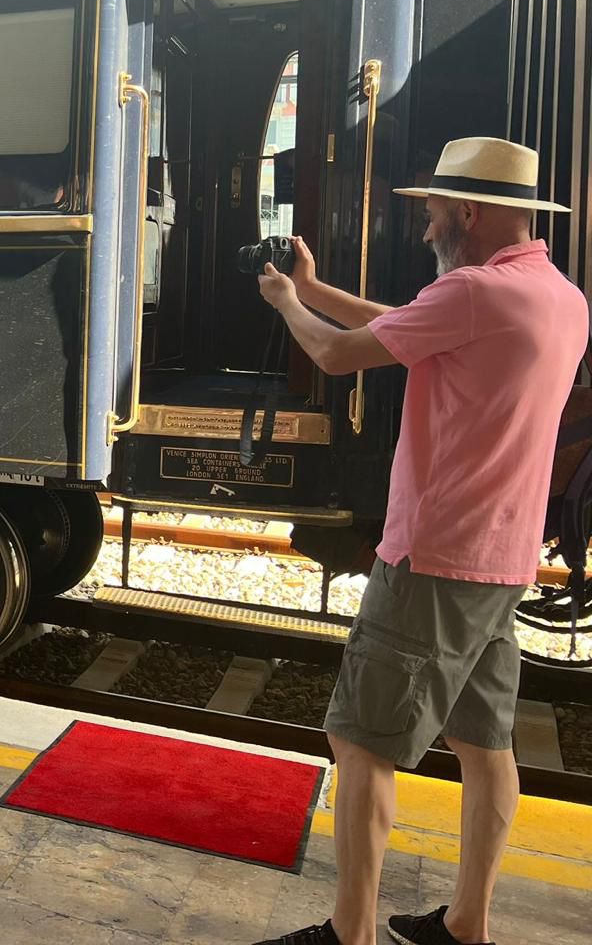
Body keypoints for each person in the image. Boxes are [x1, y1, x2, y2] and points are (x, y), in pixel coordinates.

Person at [254, 137, 588, 945]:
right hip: (504, 557)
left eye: (434, 208)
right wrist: (317, 286)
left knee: (360, 739)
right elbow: (410, 329)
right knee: (485, 742)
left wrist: (284, 303)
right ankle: (467, 924)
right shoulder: (558, 295)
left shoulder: (473, 290)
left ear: (468, 212)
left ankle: (350, 933)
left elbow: (336, 354)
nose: (425, 223)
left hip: (435, 553)